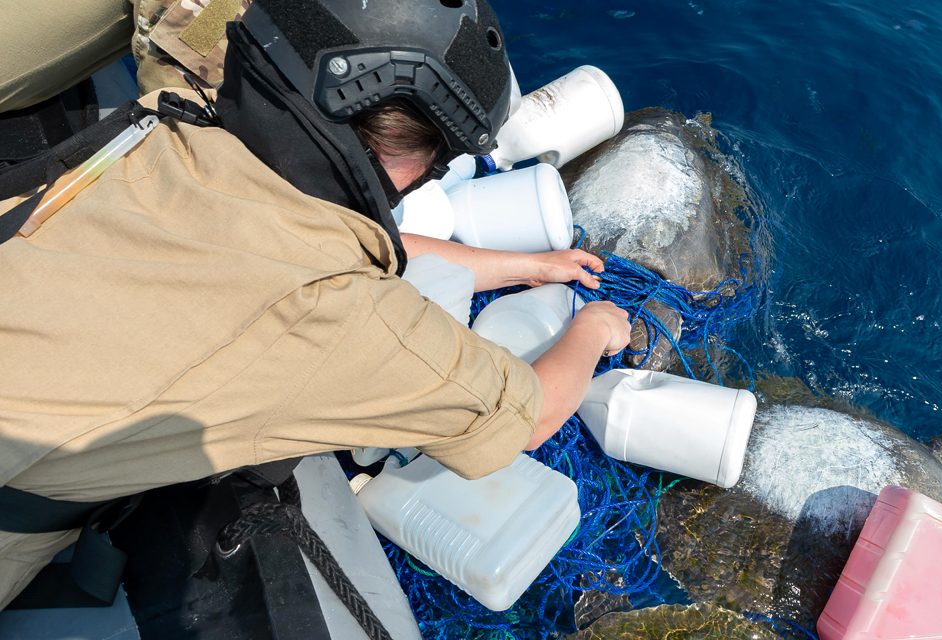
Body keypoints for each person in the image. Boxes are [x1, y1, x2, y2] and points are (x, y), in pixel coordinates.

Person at [0, 0, 630, 608]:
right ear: (428, 159)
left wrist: (529, 268)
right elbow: (526, 416)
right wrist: (595, 328)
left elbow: (316, 232)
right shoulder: (339, 312)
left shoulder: (173, 115)